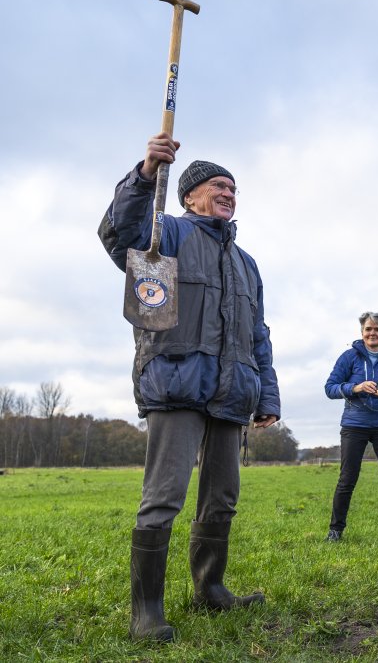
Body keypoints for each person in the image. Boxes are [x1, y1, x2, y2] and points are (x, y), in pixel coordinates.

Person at [98, 132, 280, 642]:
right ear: (189, 196)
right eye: (219, 186)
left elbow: (257, 333)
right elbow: (120, 233)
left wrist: (266, 394)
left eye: (234, 188)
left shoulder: (247, 264)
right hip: (177, 384)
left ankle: (210, 588)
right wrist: (143, 175)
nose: (229, 193)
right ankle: (146, 612)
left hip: (231, 394)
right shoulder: (168, 234)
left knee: (221, 497)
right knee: (164, 496)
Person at [323, 312, 378, 545]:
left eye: (377, 330)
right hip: (354, 424)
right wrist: (356, 387)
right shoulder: (348, 357)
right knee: (347, 479)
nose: (372, 333)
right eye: (368, 329)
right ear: (362, 332)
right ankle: (335, 530)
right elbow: (330, 388)